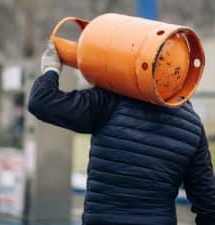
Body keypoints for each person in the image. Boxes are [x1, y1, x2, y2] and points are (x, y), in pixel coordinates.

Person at [28, 42, 215, 225]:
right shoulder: (192, 126)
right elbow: (208, 205)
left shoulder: (110, 101)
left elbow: (41, 101)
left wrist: (51, 69)